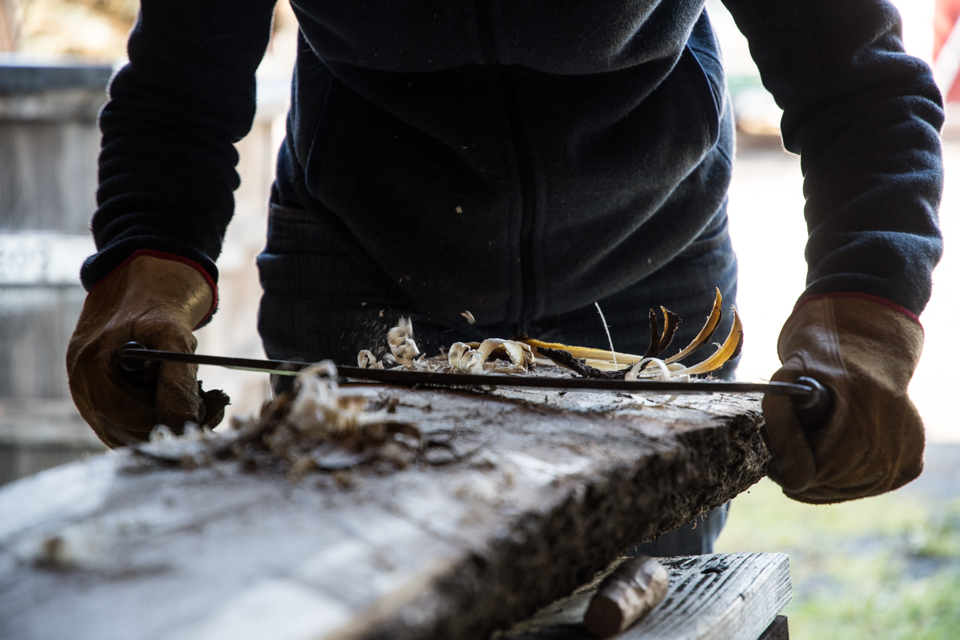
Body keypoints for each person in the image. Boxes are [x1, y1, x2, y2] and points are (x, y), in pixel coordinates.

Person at [66, 0, 944, 555]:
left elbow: (859, 88)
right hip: (358, 253)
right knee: (356, 585)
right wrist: (144, 270)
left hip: (648, 278)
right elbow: (182, 85)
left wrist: (864, 313)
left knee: (638, 599)